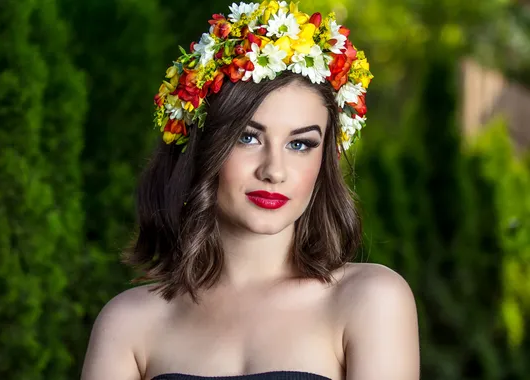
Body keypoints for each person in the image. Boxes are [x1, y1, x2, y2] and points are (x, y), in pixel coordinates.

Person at [81, 1, 419, 379]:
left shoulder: (370, 300)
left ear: (325, 159)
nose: (274, 171)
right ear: (204, 146)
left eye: (300, 144)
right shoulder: (129, 323)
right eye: (247, 137)